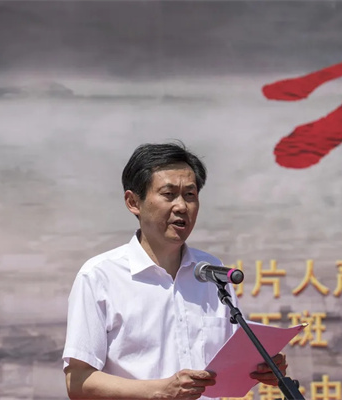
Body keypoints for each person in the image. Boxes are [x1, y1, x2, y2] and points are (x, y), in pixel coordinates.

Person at [63, 142, 288, 399]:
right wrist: (160, 391)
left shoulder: (211, 274)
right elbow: (77, 381)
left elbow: (233, 360)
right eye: (169, 194)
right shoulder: (99, 276)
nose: (182, 206)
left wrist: (263, 368)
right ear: (133, 202)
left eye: (190, 195)